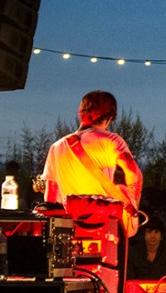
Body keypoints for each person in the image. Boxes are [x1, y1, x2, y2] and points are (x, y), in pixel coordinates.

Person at [40, 90, 143, 234]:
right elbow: (133, 173)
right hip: (106, 227)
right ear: (111, 116)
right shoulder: (112, 141)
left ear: (80, 112)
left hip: (71, 229)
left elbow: (50, 196)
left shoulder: (56, 147)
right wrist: (132, 206)